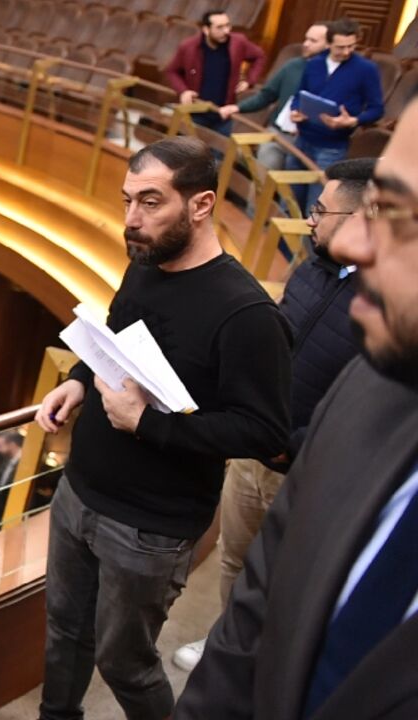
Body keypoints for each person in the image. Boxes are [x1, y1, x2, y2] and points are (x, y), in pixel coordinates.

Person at [33, 136, 291, 720]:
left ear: (201, 205)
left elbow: (263, 432)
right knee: (64, 632)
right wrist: (79, 379)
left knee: (125, 662)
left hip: (149, 526)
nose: (131, 219)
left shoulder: (247, 315)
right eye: (128, 200)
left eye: (150, 202)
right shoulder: (145, 263)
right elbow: (119, 339)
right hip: (79, 492)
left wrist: (148, 424)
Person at [177, 98, 418, 720]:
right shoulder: (377, 381)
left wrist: (291, 445)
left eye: (403, 216)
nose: (359, 245)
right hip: (258, 456)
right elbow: (255, 614)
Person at [173, 156, 373, 672]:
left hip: (310, 474)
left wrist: (294, 446)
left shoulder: (387, 303)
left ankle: (263, 672)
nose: (309, 219)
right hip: (251, 455)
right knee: (234, 560)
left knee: (284, 583)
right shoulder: (309, 270)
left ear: (360, 218)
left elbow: (367, 404)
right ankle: (225, 648)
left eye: (321, 210)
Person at [287, 17, 385, 212]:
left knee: (315, 208)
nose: (346, 51)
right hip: (302, 141)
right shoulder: (314, 63)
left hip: (331, 148)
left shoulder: (366, 69)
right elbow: (299, 94)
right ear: (329, 43)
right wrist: (295, 110)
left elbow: (377, 109)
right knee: (289, 202)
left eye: (351, 46)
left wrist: (353, 121)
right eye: (341, 47)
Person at [218, 22, 329, 170]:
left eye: (313, 41)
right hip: (277, 134)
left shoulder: (335, 75)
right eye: (306, 39)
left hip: (308, 142)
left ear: (329, 45)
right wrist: (237, 107)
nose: (306, 44)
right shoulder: (293, 66)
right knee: (262, 178)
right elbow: (266, 95)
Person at [164, 9, 266, 135]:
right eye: (220, 27)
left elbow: (259, 56)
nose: (226, 31)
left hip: (223, 115)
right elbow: (172, 71)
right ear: (206, 30)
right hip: (195, 113)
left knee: (220, 147)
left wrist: (249, 81)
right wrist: (183, 91)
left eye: (228, 25)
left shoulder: (238, 42)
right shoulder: (188, 47)